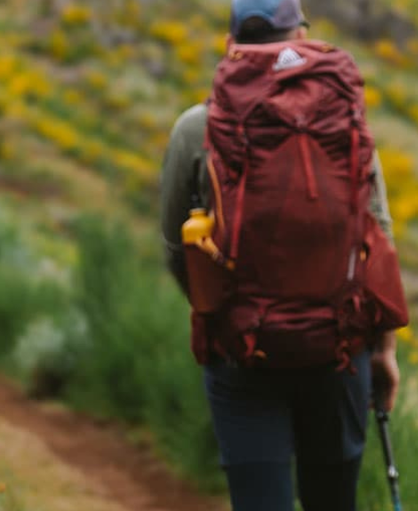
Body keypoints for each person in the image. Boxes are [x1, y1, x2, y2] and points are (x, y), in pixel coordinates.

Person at [158, 1, 403, 509]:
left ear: (232, 44)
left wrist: (218, 310)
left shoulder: (196, 128)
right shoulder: (346, 123)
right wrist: (383, 350)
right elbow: (376, 237)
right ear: (302, 37)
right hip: (338, 354)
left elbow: (173, 246)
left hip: (242, 355)